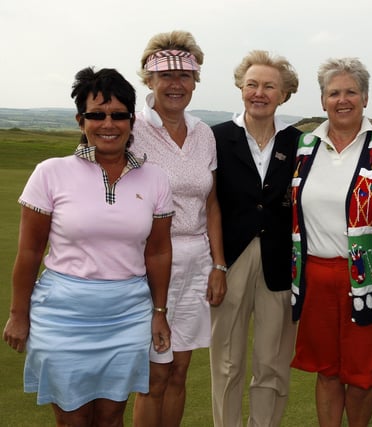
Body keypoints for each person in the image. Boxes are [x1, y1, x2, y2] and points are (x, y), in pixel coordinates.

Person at [2, 67, 174, 426]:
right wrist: (19, 315)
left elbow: (157, 252)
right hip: (63, 315)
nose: (107, 124)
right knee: (72, 420)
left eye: (117, 115)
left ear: (131, 121)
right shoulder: (50, 172)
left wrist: (159, 312)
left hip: (127, 314)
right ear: (81, 120)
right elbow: (30, 252)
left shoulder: (155, 178)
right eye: (96, 114)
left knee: (112, 418)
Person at [129, 30, 227, 427]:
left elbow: (212, 203)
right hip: (148, 263)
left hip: (196, 260)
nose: (175, 84)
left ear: (195, 81)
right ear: (148, 79)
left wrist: (219, 265)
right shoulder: (131, 129)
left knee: (179, 371)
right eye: (165, 75)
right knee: (154, 376)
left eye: (184, 75)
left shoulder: (204, 133)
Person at [291, 57, 372, 427]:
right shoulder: (305, 144)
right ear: (322, 101)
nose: (342, 99)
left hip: (366, 278)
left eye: (351, 91)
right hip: (316, 277)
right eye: (334, 92)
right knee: (327, 371)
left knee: (363, 375)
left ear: (365, 97)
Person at [209, 50, 300, 427]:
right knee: (227, 363)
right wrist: (216, 264)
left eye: (268, 86)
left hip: (279, 265)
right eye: (252, 85)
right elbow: (209, 202)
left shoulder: (298, 142)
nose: (258, 93)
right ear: (240, 88)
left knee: (272, 363)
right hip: (229, 262)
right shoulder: (215, 138)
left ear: (284, 94)